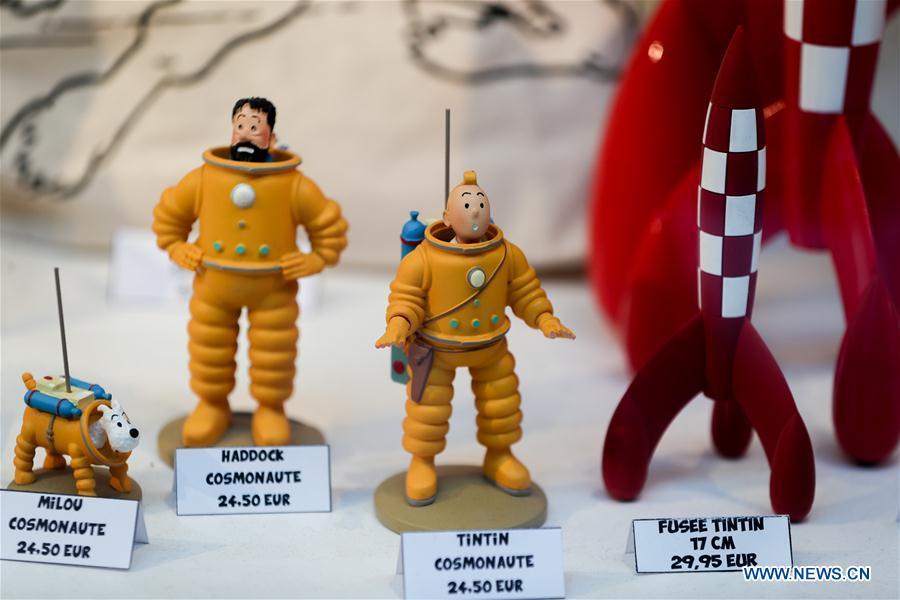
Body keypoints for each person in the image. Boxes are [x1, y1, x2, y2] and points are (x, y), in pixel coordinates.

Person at [153, 97, 348, 446]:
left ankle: (271, 408)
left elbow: (328, 224)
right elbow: (169, 214)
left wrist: (317, 258)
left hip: (273, 289)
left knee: (274, 354)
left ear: (271, 136)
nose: (245, 133)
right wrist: (176, 246)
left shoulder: (292, 184)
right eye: (239, 125)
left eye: (254, 127)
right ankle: (212, 404)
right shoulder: (204, 179)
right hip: (213, 285)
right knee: (209, 349)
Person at [376, 170, 574, 505]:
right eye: (467, 205)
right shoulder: (423, 259)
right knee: (427, 412)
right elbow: (406, 299)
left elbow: (525, 291)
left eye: (481, 204)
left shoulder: (506, 255)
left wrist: (544, 318)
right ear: (447, 217)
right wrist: (398, 325)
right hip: (436, 349)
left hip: (490, 347)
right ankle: (422, 461)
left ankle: (500, 455)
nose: (475, 211)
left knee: (501, 406)